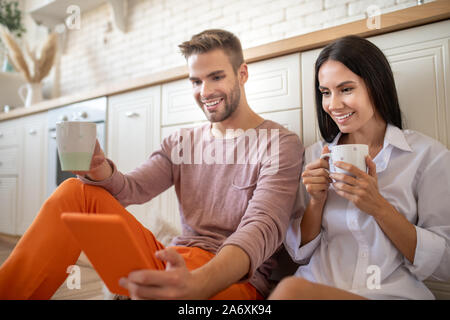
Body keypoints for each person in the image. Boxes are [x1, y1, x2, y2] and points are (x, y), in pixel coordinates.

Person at [0, 29, 304, 300]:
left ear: (242, 74)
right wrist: (101, 171)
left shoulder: (280, 144)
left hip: (234, 279)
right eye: (196, 81)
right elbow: (133, 188)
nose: (205, 91)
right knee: (73, 193)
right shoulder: (180, 142)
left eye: (216, 77)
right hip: (174, 257)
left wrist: (199, 284)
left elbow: (261, 228)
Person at [269, 35, 450, 300]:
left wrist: (378, 206)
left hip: (389, 293)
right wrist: (316, 203)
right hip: (316, 287)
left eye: (346, 89)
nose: (333, 105)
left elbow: (445, 263)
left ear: (376, 86)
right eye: (325, 92)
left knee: (287, 291)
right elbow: (299, 253)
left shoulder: (426, 156)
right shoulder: (314, 156)